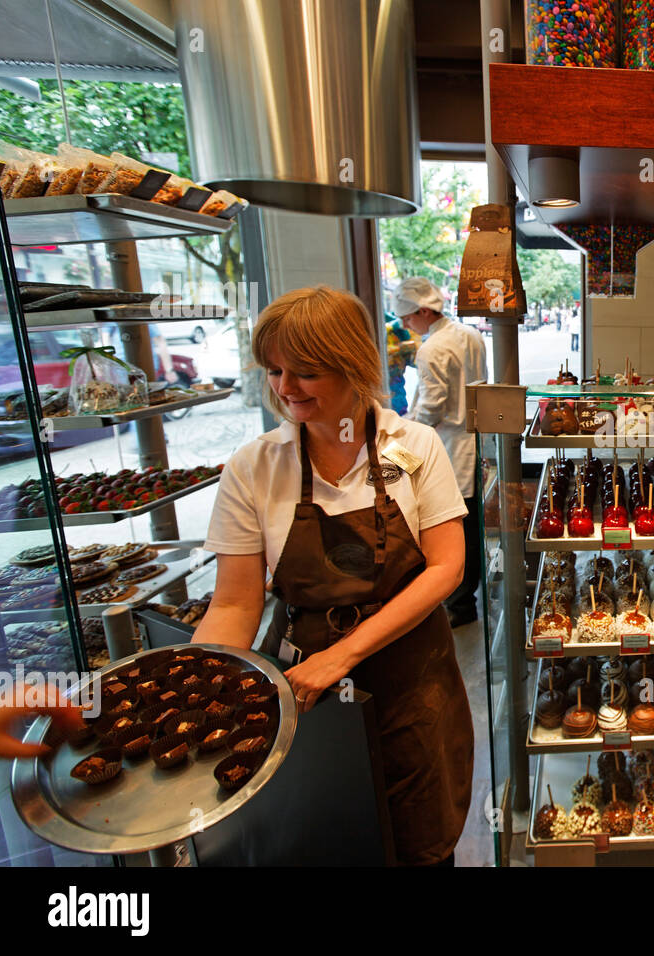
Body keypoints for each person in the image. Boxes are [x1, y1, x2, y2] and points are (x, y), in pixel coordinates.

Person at [195, 286, 474, 866]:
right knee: (331, 836)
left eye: (306, 371)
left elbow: (446, 567)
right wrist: (199, 693)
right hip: (308, 691)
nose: (285, 388)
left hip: (410, 675)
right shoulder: (256, 467)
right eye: (274, 370)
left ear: (352, 364)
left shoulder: (413, 448)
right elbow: (234, 605)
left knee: (418, 842)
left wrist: (344, 655)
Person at [392, 277, 489, 628]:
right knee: (473, 525)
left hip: (449, 447)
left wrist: (401, 432)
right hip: (476, 441)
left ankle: (460, 605)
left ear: (422, 311)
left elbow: (431, 407)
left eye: (406, 318)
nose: (404, 325)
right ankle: (468, 597)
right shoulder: (471, 335)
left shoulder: (432, 349)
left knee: (453, 528)